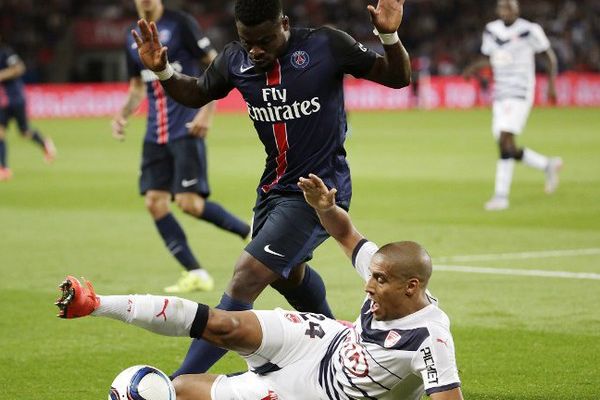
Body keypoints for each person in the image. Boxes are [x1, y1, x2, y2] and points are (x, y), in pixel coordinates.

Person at [130, 0, 411, 376]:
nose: (256, 50)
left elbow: (397, 77)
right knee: (286, 274)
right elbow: (197, 93)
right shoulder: (235, 60)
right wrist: (163, 70)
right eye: (248, 42)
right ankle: (344, 346)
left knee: (246, 276)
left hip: (319, 191)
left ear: (285, 24)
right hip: (273, 189)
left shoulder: (326, 45)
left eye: (264, 40)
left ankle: (181, 382)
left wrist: (389, 36)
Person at [56, 174, 463, 400]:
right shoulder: (386, 271)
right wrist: (326, 208)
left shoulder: (431, 341)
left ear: (412, 287)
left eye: (379, 280)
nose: (368, 285)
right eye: (370, 275)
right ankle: (96, 303)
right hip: (322, 342)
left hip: (314, 393)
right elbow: (346, 235)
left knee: (178, 391)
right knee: (224, 325)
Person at [111, 0, 251, 293]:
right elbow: (137, 86)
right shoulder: (131, 35)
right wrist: (123, 115)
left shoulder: (181, 23)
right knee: (155, 202)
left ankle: (249, 231)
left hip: (186, 127)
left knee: (189, 203)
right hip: (155, 135)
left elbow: (215, 64)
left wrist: (206, 110)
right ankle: (196, 272)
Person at [463, 0, 563, 211]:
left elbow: (549, 57)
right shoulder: (491, 30)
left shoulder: (530, 30)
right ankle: (548, 165)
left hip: (521, 90)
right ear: (498, 10)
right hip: (500, 92)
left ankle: (501, 196)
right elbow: (494, 58)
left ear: (518, 9)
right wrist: (472, 68)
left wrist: (552, 85)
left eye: (510, 7)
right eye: (503, 7)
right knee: (506, 145)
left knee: (505, 138)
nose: (506, 11)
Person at [0, 34, 56, 181]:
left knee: (24, 132)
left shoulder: (6, 52)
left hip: (16, 99)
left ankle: (44, 143)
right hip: (2, 102)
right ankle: (4, 168)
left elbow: (19, 68)